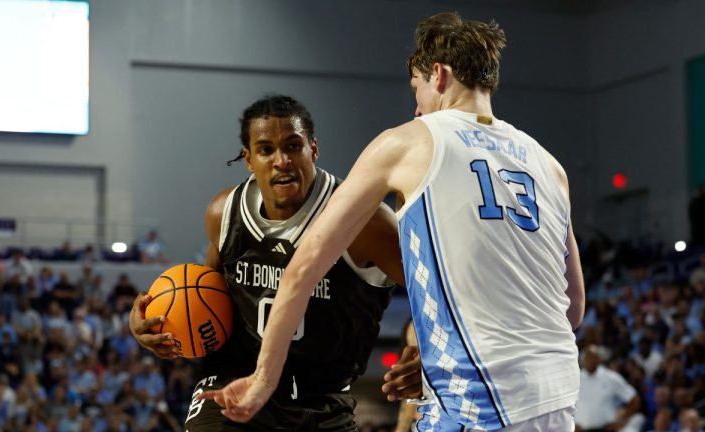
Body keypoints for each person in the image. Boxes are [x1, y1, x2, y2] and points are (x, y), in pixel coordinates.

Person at [201, 12, 586, 431]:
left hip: (480, 395)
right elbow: (573, 306)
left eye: (416, 87)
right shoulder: (550, 166)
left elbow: (304, 265)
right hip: (558, 390)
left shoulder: (408, 142)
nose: (416, 105)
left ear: (438, 74)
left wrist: (263, 380)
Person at [130, 95, 421, 431]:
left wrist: (429, 356)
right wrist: (155, 326)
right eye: (266, 150)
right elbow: (204, 297)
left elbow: (437, 295)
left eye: (293, 147)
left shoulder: (364, 222)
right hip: (233, 381)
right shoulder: (224, 213)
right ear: (249, 159)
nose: (281, 161)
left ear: (313, 149)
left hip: (322, 400)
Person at [574, 345, 644, 432]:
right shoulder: (575, 379)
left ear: (599, 359)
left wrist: (622, 419)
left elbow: (634, 399)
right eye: (588, 357)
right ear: (583, 360)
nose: (591, 360)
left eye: (594, 357)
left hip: (605, 429)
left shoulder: (611, 378)